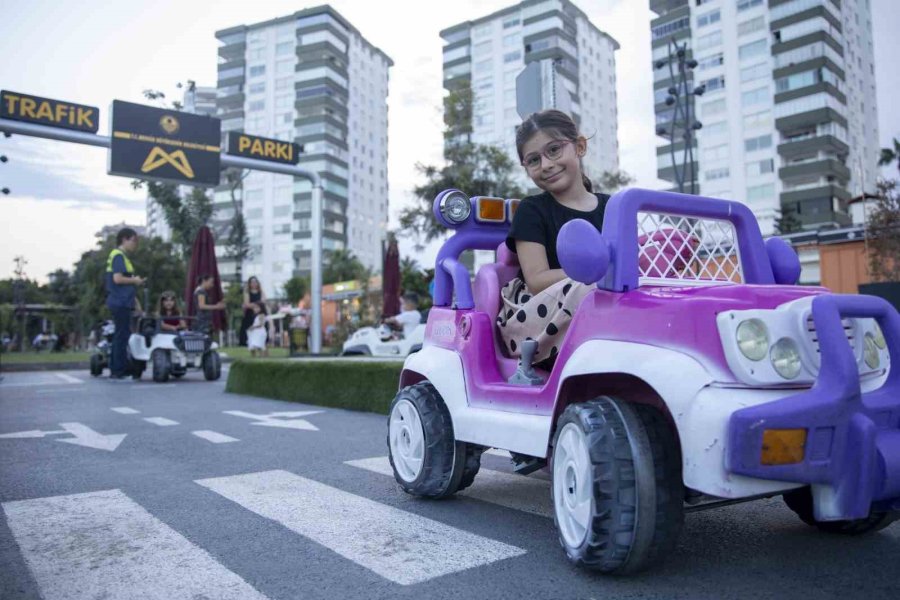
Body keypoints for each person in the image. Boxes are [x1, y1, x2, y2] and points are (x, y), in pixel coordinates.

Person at [496, 110, 611, 367]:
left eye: (554, 150)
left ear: (579, 147)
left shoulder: (612, 207)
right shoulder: (532, 210)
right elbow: (536, 280)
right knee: (597, 289)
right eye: (534, 160)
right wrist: (600, 273)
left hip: (604, 310)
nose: (546, 164)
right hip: (544, 319)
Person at [105, 228, 144, 379]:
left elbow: (125, 285)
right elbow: (118, 279)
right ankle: (118, 371)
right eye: (134, 240)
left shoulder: (122, 257)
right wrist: (135, 280)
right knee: (121, 336)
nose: (135, 244)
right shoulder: (118, 256)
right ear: (124, 239)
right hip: (119, 301)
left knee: (122, 334)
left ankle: (119, 368)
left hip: (123, 301)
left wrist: (136, 302)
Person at [239, 276, 266, 347]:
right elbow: (246, 304)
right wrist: (256, 305)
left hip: (259, 314)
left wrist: (255, 305)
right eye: (252, 282)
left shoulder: (261, 292)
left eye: (255, 282)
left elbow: (263, 302)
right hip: (250, 314)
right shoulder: (247, 292)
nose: (254, 284)